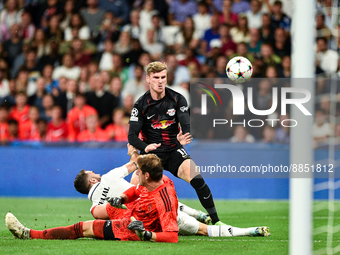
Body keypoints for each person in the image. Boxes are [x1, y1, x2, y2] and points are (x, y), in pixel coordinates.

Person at [73, 144, 270, 238]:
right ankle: (236, 227)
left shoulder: (94, 208)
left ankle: (201, 216)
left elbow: (111, 214)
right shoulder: (108, 177)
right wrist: (133, 150)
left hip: (144, 221)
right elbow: (134, 164)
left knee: (143, 190)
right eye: (93, 173)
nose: (97, 172)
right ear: (92, 179)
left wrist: (124, 205)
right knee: (163, 198)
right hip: (155, 205)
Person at [128, 61, 224, 225]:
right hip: (151, 154)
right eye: (156, 77)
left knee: (198, 181)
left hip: (173, 150)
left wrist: (184, 135)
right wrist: (145, 147)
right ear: (148, 79)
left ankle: (216, 222)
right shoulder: (140, 105)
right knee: (133, 190)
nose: (160, 81)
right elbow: (131, 136)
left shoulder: (178, 99)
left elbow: (185, 123)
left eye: (163, 77)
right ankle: (130, 221)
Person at [5, 153, 179, 242]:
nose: (136, 173)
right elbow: (137, 190)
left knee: (84, 227)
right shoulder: (156, 179)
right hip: (132, 212)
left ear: (147, 175)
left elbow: (172, 236)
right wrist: (123, 198)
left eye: (139, 171)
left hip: (132, 228)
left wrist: (147, 235)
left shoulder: (164, 199)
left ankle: (29, 234)